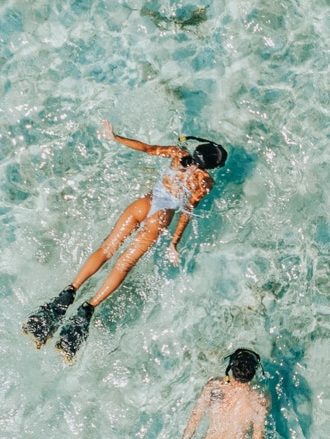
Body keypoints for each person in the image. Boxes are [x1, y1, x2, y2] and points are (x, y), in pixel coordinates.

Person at [23, 121, 226, 362]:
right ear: (212, 166)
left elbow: (147, 148)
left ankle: (69, 291)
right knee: (123, 265)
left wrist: (115, 137)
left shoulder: (178, 153)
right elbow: (187, 212)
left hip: (143, 205)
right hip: (159, 219)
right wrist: (174, 243)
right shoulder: (205, 182)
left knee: (107, 249)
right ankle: (88, 308)